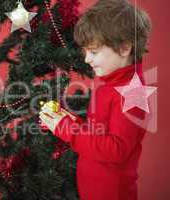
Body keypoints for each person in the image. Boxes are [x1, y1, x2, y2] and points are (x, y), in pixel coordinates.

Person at [39, 0, 152, 199]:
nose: (86, 59)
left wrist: (66, 128)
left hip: (111, 192)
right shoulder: (110, 82)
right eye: (85, 52)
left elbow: (115, 150)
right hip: (92, 188)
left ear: (124, 48)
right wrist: (69, 120)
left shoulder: (134, 92)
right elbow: (99, 132)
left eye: (93, 52)